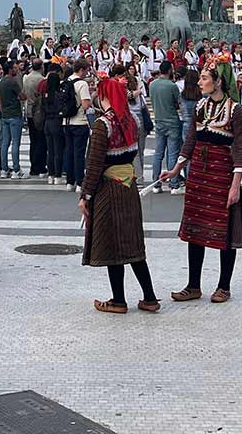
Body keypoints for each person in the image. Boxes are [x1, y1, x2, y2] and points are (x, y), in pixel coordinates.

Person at [159, 58, 242, 304]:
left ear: (218, 82)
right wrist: (176, 168)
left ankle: (224, 286)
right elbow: (190, 140)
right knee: (194, 228)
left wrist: (236, 185)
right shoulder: (200, 106)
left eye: (204, 78)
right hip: (199, 175)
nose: (199, 82)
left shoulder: (236, 111)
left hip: (222, 175)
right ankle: (193, 285)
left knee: (225, 231)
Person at [80, 73, 159, 314]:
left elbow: (94, 165)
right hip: (129, 186)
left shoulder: (103, 124)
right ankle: (149, 297)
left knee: (112, 244)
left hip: (109, 189)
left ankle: (118, 300)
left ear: (104, 95)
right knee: (132, 241)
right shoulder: (131, 120)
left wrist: (85, 196)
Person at [148, 60, 184, 192]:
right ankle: (174, 184)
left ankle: (155, 183)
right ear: (169, 70)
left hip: (159, 120)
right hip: (172, 121)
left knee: (158, 153)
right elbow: (178, 103)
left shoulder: (152, 85)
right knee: (173, 153)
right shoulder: (172, 86)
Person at [63, 60, 93, 191]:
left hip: (66, 122)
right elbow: (86, 104)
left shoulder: (65, 81)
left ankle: (70, 182)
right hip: (79, 122)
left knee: (69, 151)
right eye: (86, 70)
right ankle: (80, 183)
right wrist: (93, 97)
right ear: (81, 70)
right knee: (79, 153)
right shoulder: (82, 84)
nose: (87, 72)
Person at [0, 61, 25, 178]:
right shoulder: (13, 82)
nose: (16, 70)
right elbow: (22, 96)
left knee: (5, 142)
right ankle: (16, 169)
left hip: (5, 114)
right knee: (15, 142)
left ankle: (4, 169)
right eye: (14, 68)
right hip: (15, 114)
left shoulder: (0, 82)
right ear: (10, 69)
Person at [24, 61, 48, 176]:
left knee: (33, 140)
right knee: (41, 140)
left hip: (29, 110)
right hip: (39, 112)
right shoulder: (42, 80)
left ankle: (33, 165)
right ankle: (40, 165)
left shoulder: (26, 78)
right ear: (41, 67)